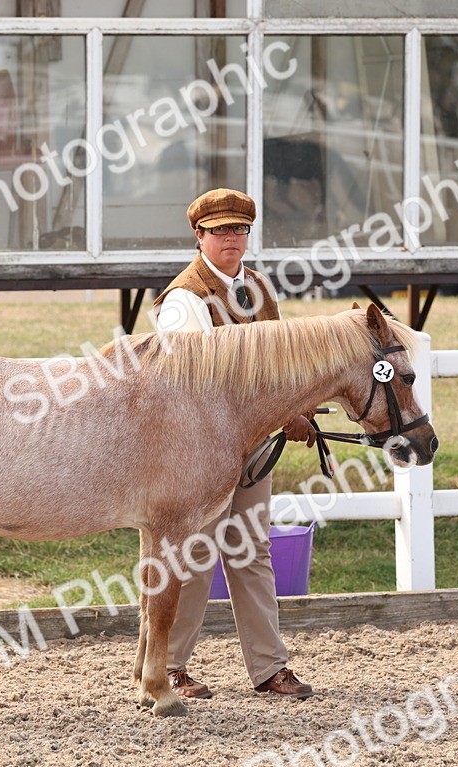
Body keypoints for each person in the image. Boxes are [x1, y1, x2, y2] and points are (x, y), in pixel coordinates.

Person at [152, 187, 317, 700]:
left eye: (239, 229)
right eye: (221, 230)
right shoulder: (183, 300)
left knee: (251, 550)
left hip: (252, 445)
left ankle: (269, 666)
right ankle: (173, 665)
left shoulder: (260, 290)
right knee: (196, 554)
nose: (231, 239)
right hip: (199, 452)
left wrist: (296, 407)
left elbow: (281, 365)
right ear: (198, 236)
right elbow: (196, 385)